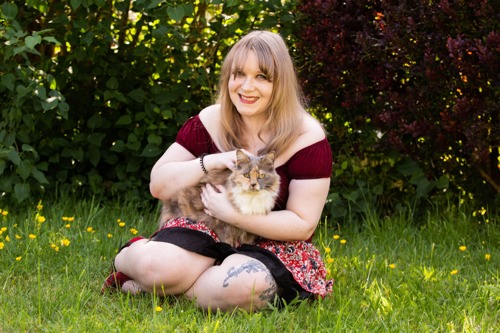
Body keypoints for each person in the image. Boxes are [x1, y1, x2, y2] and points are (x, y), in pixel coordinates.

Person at [102, 30, 333, 312]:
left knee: (242, 286)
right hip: (208, 226)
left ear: (280, 83)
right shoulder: (209, 120)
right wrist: (211, 161)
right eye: (239, 74)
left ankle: (166, 288)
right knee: (156, 267)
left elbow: (302, 223)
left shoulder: (306, 137)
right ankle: (137, 262)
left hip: (273, 243)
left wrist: (233, 214)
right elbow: (158, 186)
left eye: (261, 76)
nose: (247, 87)